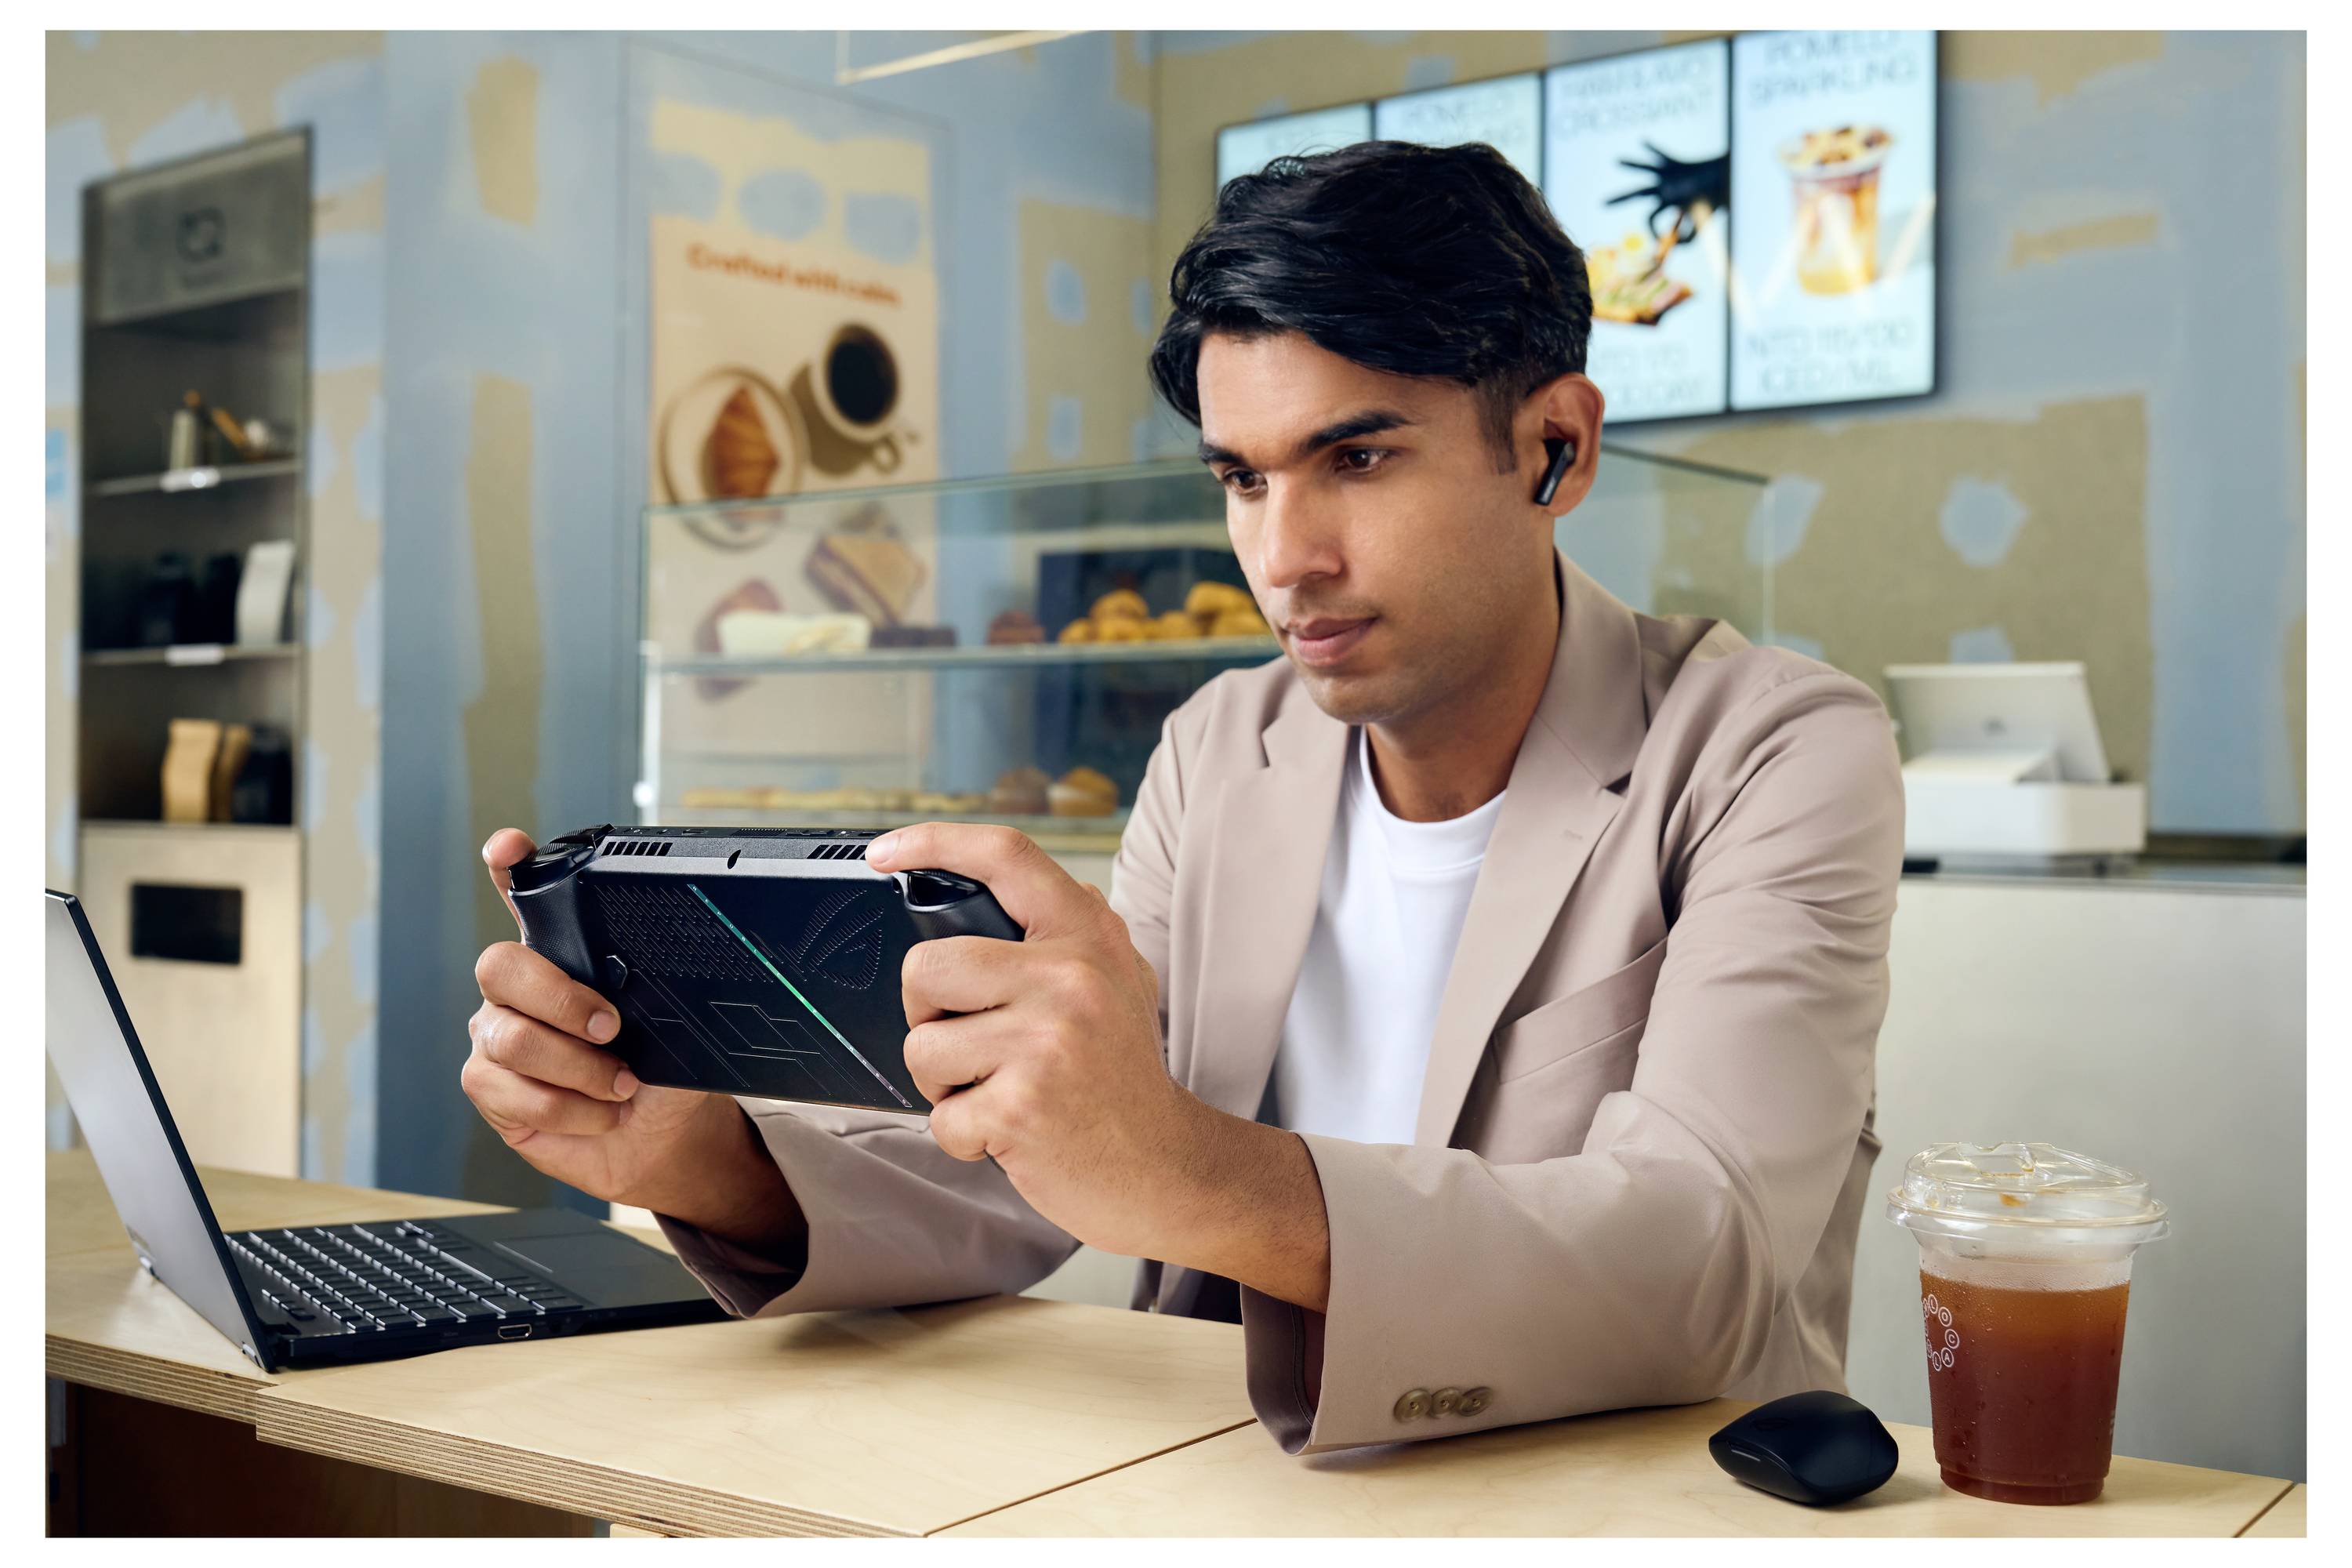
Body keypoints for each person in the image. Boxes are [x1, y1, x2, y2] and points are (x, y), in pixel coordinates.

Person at [463, 140, 1903, 1455]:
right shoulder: (1224, 743)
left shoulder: (1775, 749)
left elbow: (1700, 1259)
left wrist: (1192, 1174)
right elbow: (1030, 1171)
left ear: (1554, 449)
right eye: (1241, 478)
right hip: (1221, 1494)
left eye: (1356, 458)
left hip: (1614, 1508)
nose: (1284, 559)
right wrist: (704, 1158)